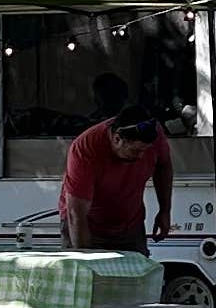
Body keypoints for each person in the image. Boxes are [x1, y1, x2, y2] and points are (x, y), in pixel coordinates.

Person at [58, 104, 174, 251]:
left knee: (137, 265)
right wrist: (85, 257)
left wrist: (165, 210)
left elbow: (163, 165)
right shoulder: (85, 149)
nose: (141, 156)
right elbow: (76, 215)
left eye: (146, 150)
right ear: (117, 139)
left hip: (130, 224)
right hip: (87, 225)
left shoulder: (154, 131)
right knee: (87, 263)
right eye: (135, 151)